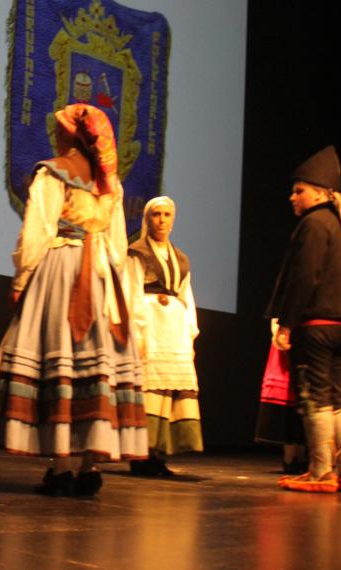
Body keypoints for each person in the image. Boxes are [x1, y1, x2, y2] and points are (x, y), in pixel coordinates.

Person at [0, 104, 147, 496]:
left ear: (69, 136)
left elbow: (38, 230)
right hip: (100, 275)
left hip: (62, 268)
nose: (55, 136)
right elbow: (117, 245)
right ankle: (89, 466)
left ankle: (61, 467)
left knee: (60, 360)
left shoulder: (52, 172)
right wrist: (112, 284)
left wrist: (23, 278)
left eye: (59, 130)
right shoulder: (110, 183)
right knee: (96, 364)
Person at [266, 146, 341, 494]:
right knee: (337, 397)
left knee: (315, 397)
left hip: (317, 325)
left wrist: (287, 323)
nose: (292, 197)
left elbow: (305, 277)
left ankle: (322, 472)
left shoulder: (314, 224)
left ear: (320, 193)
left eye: (299, 190)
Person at [124, 196, 202, 476]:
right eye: (157, 214)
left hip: (173, 331)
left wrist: (190, 332)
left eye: (167, 215)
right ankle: (141, 454)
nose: (162, 220)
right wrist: (136, 332)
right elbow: (130, 291)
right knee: (148, 391)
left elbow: (186, 296)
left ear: (173, 219)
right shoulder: (137, 253)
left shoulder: (180, 259)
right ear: (148, 219)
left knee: (167, 393)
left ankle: (158, 453)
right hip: (150, 328)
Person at [253, 321, 307, 474]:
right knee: (291, 406)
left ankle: (299, 457)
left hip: (304, 342)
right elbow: (278, 320)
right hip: (290, 345)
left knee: (302, 405)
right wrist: (281, 335)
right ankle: (291, 458)